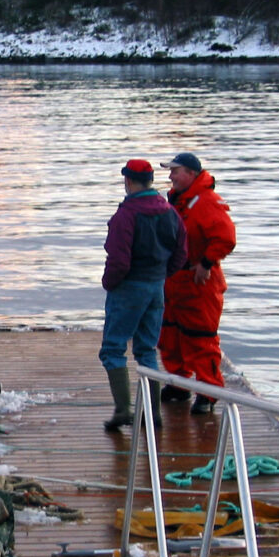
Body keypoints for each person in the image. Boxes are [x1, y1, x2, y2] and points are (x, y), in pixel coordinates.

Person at [98, 159, 187, 432]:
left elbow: (119, 261)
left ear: (128, 181)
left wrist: (109, 282)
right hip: (155, 285)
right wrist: (162, 275)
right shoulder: (169, 212)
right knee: (147, 349)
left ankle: (123, 410)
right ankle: (153, 413)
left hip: (128, 287)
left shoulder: (126, 215)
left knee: (113, 349)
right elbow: (181, 252)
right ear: (150, 181)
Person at [158, 152, 236, 414]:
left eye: (175, 171)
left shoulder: (207, 202)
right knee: (170, 334)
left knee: (200, 338)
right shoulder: (178, 201)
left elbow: (225, 238)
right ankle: (179, 384)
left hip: (198, 281)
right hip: (175, 279)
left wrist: (205, 263)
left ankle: (209, 392)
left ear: (190, 174)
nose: (170, 176)